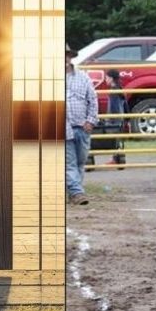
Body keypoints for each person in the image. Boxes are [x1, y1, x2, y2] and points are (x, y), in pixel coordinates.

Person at [65, 43, 98, 206]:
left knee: (80, 161)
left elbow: (92, 100)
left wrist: (91, 120)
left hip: (82, 126)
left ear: (70, 57)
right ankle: (78, 193)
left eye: (66, 55)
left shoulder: (83, 77)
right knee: (69, 162)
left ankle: (73, 191)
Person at [90, 69, 127, 167]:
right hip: (120, 119)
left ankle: (114, 158)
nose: (105, 79)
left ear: (111, 78)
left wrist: (109, 118)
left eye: (106, 78)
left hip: (114, 119)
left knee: (110, 137)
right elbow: (125, 105)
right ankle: (116, 157)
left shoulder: (113, 91)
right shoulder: (120, 89)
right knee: (117, 139)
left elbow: (113, 107)